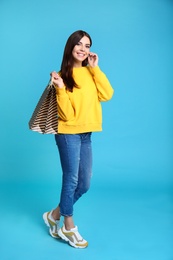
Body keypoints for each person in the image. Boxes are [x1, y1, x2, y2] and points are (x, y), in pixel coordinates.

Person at [43, 30, 114, 249]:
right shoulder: (61, 76)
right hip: (67, 133)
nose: (83, 49)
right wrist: (61, 89)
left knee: (84, 183)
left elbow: (107, 94)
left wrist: (95, 68)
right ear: (71, 46)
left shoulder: (91, 72)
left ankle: (54, 214)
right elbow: (66, 115)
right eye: (79, 44)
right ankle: (68, 225)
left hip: (86, 134)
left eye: (88, 45)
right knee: (71, 179)